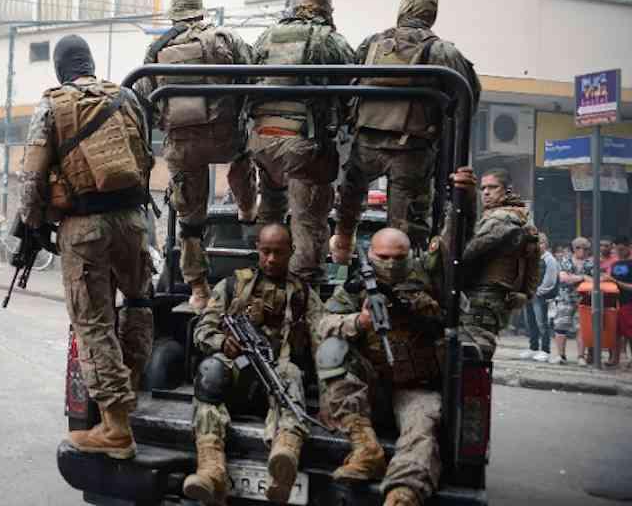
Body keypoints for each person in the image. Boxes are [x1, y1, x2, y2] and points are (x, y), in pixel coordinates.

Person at [19, 34, 154, 458]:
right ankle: (133, 388)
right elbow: (145, 156)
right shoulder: (127, 98)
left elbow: (32, 177)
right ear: (90, 64)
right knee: (138, 304)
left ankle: (116, 427)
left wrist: (33, 223)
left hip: (84, 226)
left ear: (60, 68)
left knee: (93, 322)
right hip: (133, 220)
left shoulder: (52, 105)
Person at [331, 0, 481, 262]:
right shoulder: (442, 51)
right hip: (411, 150)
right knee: (405, 228)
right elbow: (468, 95)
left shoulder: (373, 42)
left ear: (403, 9)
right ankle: (401, 274)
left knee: (350, 200)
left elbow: (347, 81)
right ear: (431, 14)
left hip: (365, 144)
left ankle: (342, 243)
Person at [133, 0, 256, 310]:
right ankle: (246, 207)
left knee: (190, 223)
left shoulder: (157, 49)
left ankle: (199, 290)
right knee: (243, 156)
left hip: (183, 144)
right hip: (225, 137)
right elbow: (252, 76)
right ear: (201, 12)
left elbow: (144, 97)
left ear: (174, 14)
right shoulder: (225, 38)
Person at [183, 224, 323, 504]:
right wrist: (223, 343)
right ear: (257, 249)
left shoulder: (303, 294)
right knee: (211, 372)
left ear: (291, 252)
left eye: (279, 252)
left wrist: (328, 394)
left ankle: (284, 460)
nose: (271, 259)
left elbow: (322, 339)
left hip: (277, 376)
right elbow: (203, 330)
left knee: (291, 374)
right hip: (239, 376)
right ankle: (210, 469)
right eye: (266, 251)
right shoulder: (232, 286)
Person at [318, 227, 445, 506]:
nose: (390, 264)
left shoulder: (428, 280)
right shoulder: (356, 286)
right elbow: (324, 324)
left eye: (398, 258)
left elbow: (450, 322)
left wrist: (417, 310)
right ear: (372, 255)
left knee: (421, 427)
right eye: (383, 257)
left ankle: (404, 492)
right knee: (331, 350)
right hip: (373, 385)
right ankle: (366, 450)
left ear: (410, 256)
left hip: (415, 386)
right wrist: (359, 321)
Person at [245, 0, 355, 285]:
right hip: (303, 145)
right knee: (308, 221)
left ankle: (264, 283)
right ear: (326, 11)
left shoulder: (267, 36)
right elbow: (353, 85)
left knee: (271, 207)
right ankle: (304, 291)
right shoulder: (329, 40)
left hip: (262, 142)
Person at [450, 167, 539, 360]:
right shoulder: (520, 217)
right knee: (476, 349)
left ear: (507, 190)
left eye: (493, 187)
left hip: (484, 296)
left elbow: (467, 252)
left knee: (473, 351)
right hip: (493, 298)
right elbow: (533, 264)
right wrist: (526, 294)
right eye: (483, 188)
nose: (486, 192)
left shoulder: (502, 218)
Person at [553, 237, 594, 365]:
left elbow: (595, 281)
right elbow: (563, 278)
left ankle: (581, 356)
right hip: (565, 299)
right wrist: (583, 277)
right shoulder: (565, 261)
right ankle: (561, 355)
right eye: (579, 247)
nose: (582, 250)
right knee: (560, 326)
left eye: (586, 248)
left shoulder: (591, 263)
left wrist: (573, 277)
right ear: (574, 248)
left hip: (584, 300)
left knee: (581, 328)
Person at [519, 233, 558, 362]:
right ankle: (533, 348)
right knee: (530, 322)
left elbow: (550, 280)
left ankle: (545, 350)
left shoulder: (549, 259)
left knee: (542, 323)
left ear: (545, 244)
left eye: (540, 243)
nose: (537, 246)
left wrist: (539, 292)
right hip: (529, 294)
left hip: (540, 296)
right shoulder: (531, 258)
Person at [604, 236, 632, 367]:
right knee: (614, 332)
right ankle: (615, 359)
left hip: (628, 302)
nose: (619, 252)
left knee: (629, 332)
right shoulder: (615, 264)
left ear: (629, 247)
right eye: (617, 249)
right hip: (614, 303)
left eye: (622, 249)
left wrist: (615, 282)